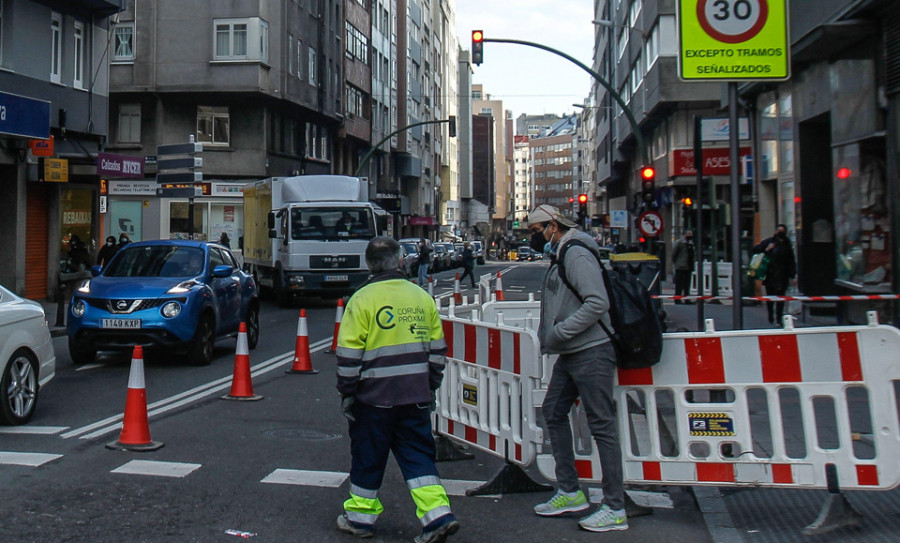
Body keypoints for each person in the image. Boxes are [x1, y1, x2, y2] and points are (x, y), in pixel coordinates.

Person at [335, 236, 459, 543]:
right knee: (418, 455)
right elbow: (437, 351)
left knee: (368, 456)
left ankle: (360, 519)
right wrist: (429, 386)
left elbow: (349, 356)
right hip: (414, 395)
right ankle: (437, 515)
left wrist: (348, 392)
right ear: (401, 261)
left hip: (373, 397)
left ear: (368, 265)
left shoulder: (361, 300)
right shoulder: (420, 297)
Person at [526, 204, 627, 533]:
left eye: (536, 229)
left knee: (602, 425)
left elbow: (597, 302)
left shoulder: (575, 252)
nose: (533, 236)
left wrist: (560, 332)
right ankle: (569, 491)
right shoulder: (561, 251)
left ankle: (614, 507)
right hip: (572, 351)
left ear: (552, 225)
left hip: (590, 349)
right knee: (553, 410)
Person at [753, 224, 797, 324]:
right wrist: (767, 249)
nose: (779, 233)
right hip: (770, 274)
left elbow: (791, 260)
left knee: (780, 298)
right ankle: (770, 315)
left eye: (782, 231)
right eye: (778, 230)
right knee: (770, 297)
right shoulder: (769, 242)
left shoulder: (787, 244)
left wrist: (792, 275)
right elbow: (756, 249)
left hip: (782, 275)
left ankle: (779, 317)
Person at [671, 230, 695, 303]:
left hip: (689, 266)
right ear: (684, 235)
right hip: (681, 266)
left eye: (691, 234)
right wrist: (677, 263)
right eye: (689, 234)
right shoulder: (679, 243)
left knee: (687, 284)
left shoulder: (691, 243)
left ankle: (687, 298)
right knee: (679, 284)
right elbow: (673, 254)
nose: (690, 235)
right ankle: (677, 299)